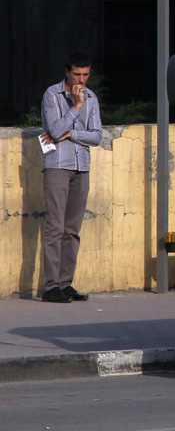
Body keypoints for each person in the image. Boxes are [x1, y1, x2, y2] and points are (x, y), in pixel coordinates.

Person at [39, 51, 103, 303]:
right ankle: (50, 286)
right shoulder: (52, 94)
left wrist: (72, 135)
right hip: (57, 165)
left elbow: (96, 136)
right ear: (67, 71)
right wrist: (76, 107)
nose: (81, 79)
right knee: (55, 227)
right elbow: (54, 130)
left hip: (81, 166)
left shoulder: (92, 97)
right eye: (77, 73)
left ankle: (66, 283)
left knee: (73, 229)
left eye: (86, 74)